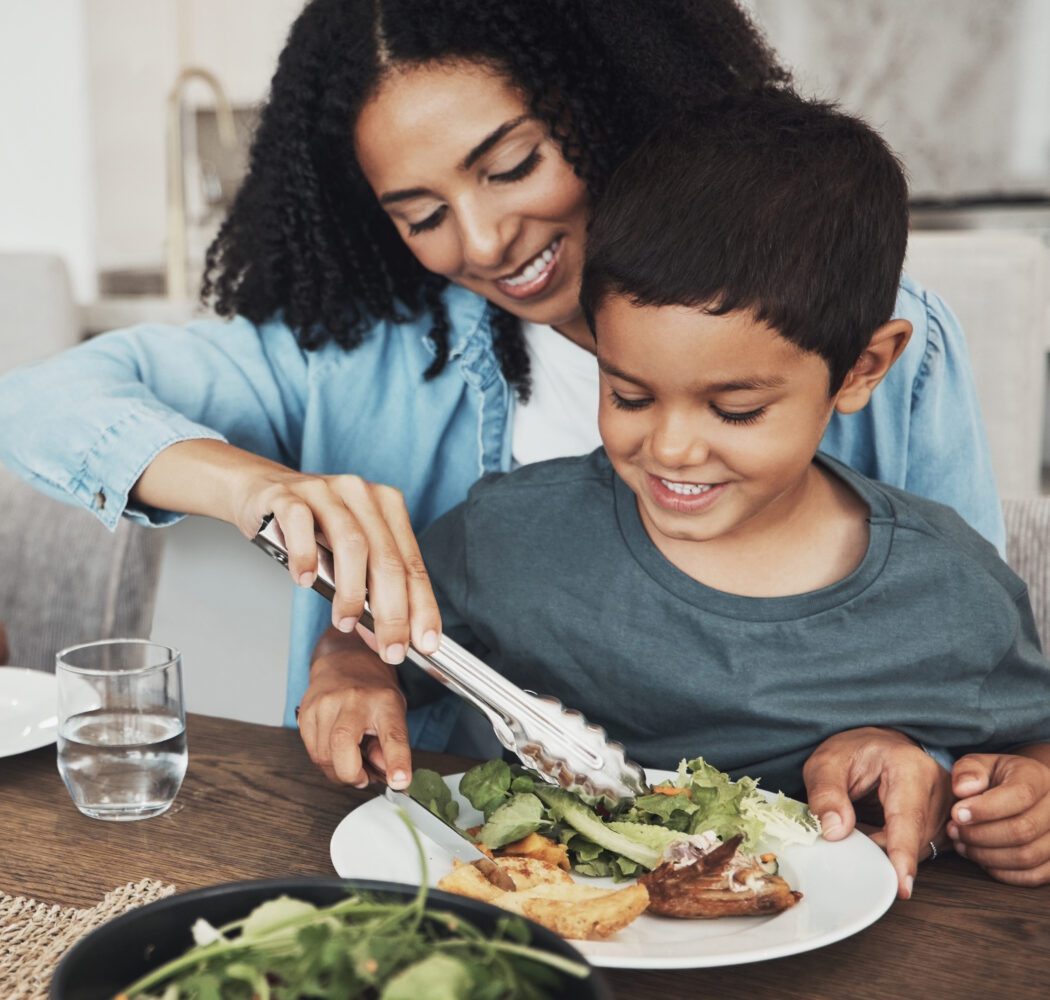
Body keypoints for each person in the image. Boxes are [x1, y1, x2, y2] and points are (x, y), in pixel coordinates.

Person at [0, 1, 997, 875]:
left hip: (812, 879)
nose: (481, 242)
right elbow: (37, 402)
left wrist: (920, 758)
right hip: (467, 866)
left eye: (513, 165)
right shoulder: (359, 349)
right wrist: (255, 490)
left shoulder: (859, 329)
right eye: (422, 213)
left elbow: (966, 678)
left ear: (604, 97)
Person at [313, 93, 1050, 897]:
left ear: (863, 369)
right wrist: (353, 672)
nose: (668, 448)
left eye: (736, 409)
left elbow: (1031, 747)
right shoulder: (512, 533)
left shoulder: (952, 595)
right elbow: (385, 635)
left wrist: (1025, 804)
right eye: (629, 395)